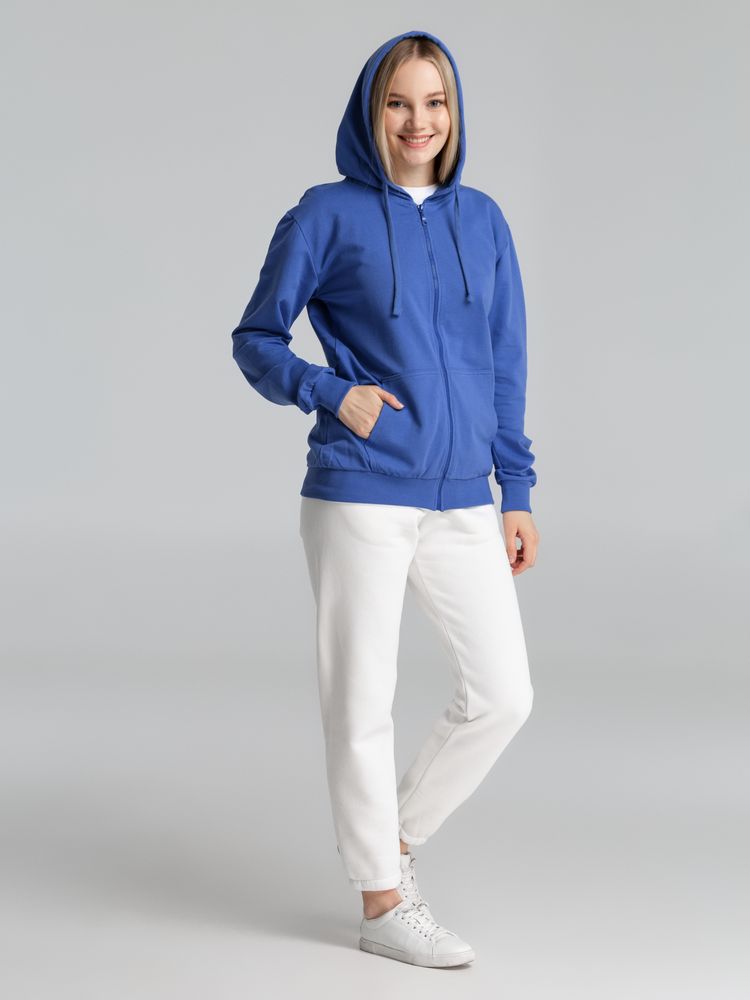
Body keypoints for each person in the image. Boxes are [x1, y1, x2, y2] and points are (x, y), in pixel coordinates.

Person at [230, 28, 539, 969]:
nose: (417, 121)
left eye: (434, 102)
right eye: (398, 102)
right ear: (372, 112)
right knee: (362, 697)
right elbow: (256, 338)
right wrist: (331, 393)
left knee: (503, 695)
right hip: (359, 489)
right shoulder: (326, 214)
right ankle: (380, 904)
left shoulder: (482, 220)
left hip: (463, 496)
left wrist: (516, 488)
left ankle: (388, 843)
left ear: (455, 112)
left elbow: (505, 363)